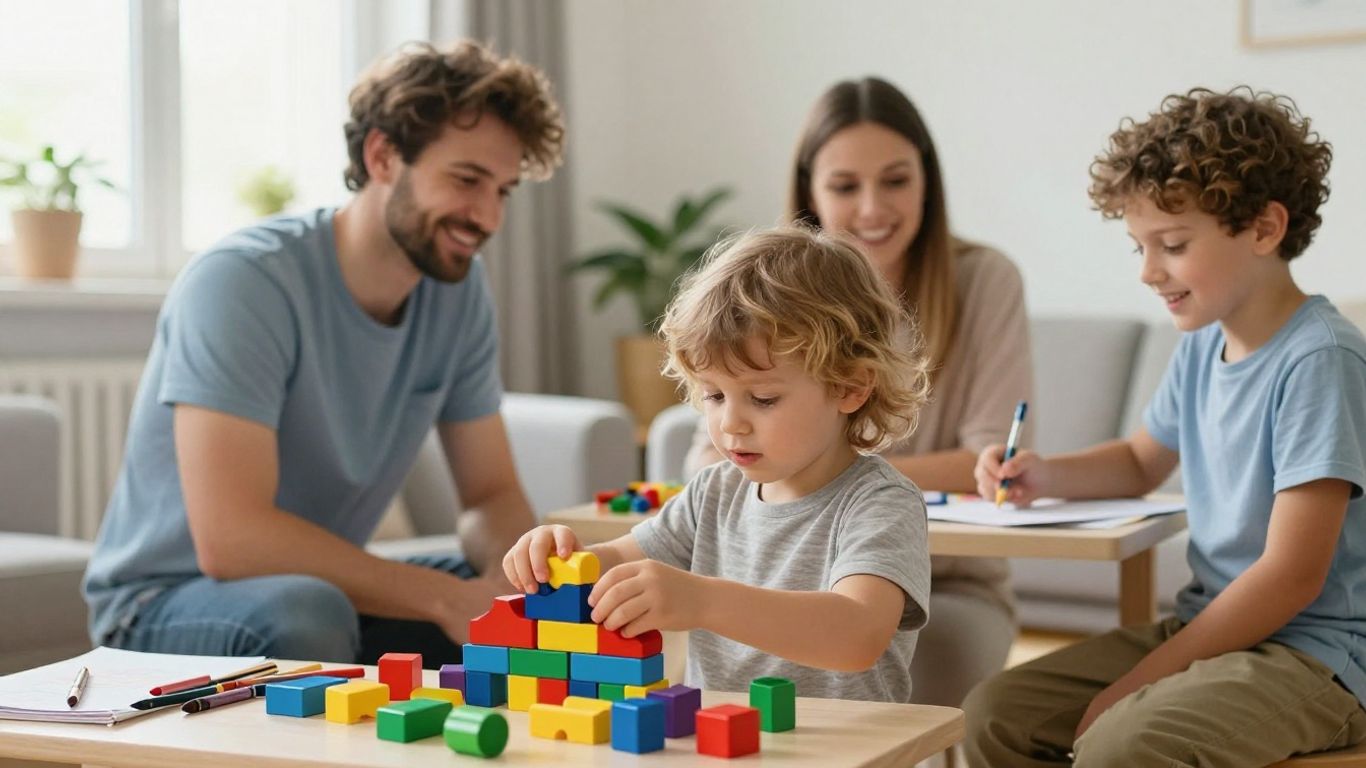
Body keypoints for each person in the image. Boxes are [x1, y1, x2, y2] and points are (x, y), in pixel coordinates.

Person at [81, 40, 565, 665]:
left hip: (321, 592)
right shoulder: (244, 282)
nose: (488, 218)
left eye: (503, 191)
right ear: (382, 156)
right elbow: (233, 539)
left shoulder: (459, 290)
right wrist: (447, 600)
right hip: (164, 603)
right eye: (467, 180)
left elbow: (490, 495)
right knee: (311, 611)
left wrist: (516, 578)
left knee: (536, 611)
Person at [964, 87, 1366, 766]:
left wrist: (1137, 683)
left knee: (1123, 742)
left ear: (1265, 229)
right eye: (1139, 247)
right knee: (997, 715)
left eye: (1172, 245)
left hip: (1316, 656)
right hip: (1212, 627)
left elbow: (1291, 577)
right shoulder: (1202, 345)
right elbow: (1138, 461)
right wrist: (1044, 474)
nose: (1149, 272)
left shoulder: (1320, 360)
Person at [685, 77, 1031, 707]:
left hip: (946, 584)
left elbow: (986, 463)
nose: (872, 209)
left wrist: (827, 478)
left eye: (895, 181)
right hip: (775, 582)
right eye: (845, 186)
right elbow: (706, 465)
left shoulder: (984, 280)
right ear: (810, 192)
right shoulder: (759, 296)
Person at [505, 225, 933, 701]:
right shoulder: (714, 492)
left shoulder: (880, 503)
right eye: (713, 395)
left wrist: (703, 601)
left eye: (763, 399)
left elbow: (856, 636)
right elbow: (619, 563)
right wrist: (564, 558)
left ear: (850, 387)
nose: (731, 423)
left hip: (848, 741)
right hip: (718, 736)